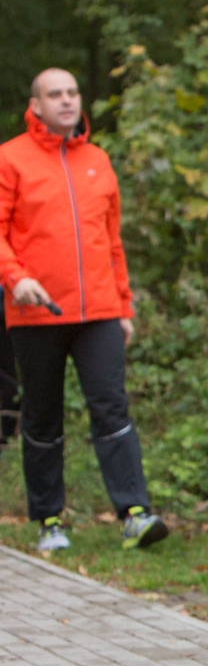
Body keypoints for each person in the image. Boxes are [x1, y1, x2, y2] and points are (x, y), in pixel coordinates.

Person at [0, 68, 165, 552]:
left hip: (99, 314)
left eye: (72, 92)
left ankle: (135, 514)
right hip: (37, 313)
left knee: (111, 406)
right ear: (35, 105)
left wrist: (124, 305)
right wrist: (16, 277)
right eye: (55, 94)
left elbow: (111, 242)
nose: (67, 101)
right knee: (43, 418)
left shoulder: (98, 160)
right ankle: (50, 521)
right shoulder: (11, 159)